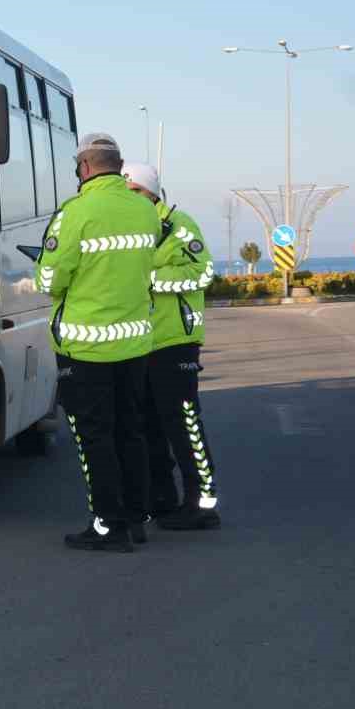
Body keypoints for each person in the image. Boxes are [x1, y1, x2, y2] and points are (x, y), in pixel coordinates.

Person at [33, 132, 160, 552]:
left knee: (95, 439)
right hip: (135, 344)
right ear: (119, 167)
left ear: (84, 167)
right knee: (131, 432)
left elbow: (50, 279)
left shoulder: (75, 212)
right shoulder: (145, 211)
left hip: (85, 347)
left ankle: (108, 526)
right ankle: (137, 518)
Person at [122, 161, 221, 530]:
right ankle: (161, 497)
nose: (132, 198)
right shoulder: (124, 230)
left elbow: (203, 271)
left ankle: (202, 504)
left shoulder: (179, 225)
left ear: (153, 193)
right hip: (136, 342)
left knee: (184, 423)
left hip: (175, 341)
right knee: (147, 424)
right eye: (126, 192)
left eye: (137, 191)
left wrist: (147, 278)